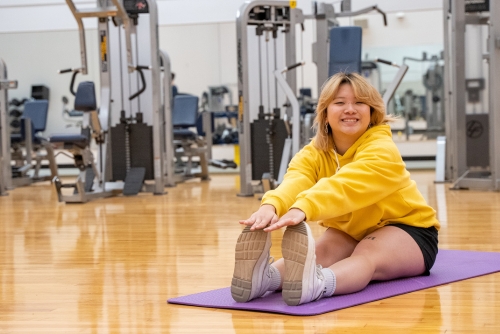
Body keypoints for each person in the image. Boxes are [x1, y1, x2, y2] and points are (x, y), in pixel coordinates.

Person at [230, 72, 440, 306]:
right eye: (339, 103)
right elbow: (297, 178)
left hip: (407, 229)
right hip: (352, 229)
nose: (350, 109)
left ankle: (317, 283)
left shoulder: (383, 149)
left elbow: (347, 185)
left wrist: (304, 207)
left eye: (359, 102)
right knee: (321, 252)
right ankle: (266, 279)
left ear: (371, 112)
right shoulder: (315, 151)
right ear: (325, 113)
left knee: (367, 254)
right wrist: (272, 205)